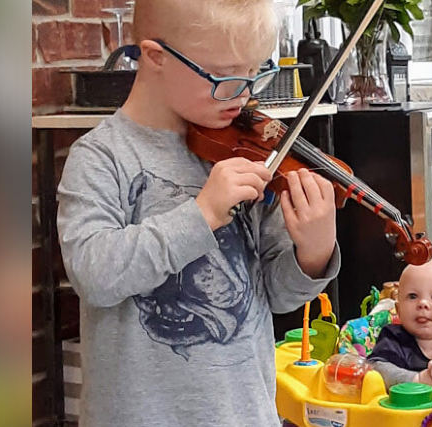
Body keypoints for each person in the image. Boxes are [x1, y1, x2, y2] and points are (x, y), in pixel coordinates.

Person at [54, 0, 341, 425]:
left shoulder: (250, 147)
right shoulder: (101, 157)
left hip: (242, 413)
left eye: (255, 72)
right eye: (224, 77)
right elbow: (94, 275)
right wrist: (201, 213)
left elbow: (278, 296)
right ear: (156, 57)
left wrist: (313, 253)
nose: (243, 94)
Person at [366, 259, 432, 388]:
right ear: (398, 310)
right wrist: (417, 380)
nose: (423, 303)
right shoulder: (393, 338)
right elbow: (375, 369)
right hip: (405, 406)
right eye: (412, 296)